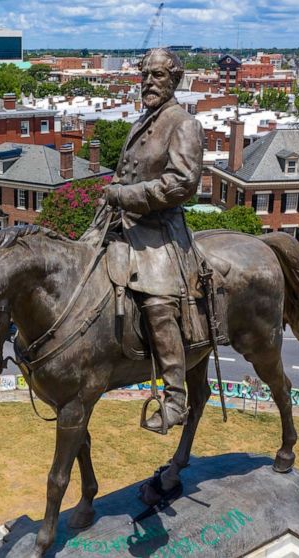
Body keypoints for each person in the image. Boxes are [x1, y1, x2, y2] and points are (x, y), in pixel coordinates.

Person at [83, 48, 204, 433]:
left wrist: (127, 196)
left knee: (157, 301)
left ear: (175, 81)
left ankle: (174, 397)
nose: (148, 82)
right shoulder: (143, 120)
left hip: (159, 230)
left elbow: (183, 183)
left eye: (158, 76)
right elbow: (126, 173)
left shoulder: (183, 123)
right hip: (119, 221)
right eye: (145, 75)